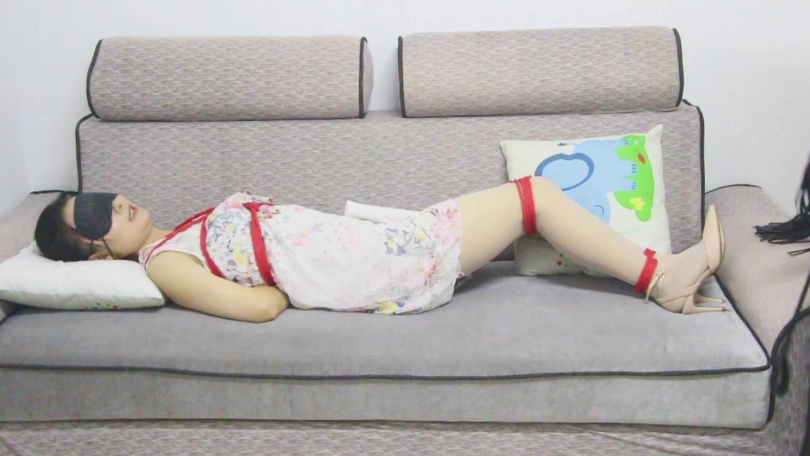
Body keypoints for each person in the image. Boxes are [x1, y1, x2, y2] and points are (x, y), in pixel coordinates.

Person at [33, 176, 726, 323]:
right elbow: (258, 308)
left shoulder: (177, 232)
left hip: (376, 244)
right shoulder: (164, 264)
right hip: (371, 266)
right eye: (96, 216)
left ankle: (657, 274)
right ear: (98, 256)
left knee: (531, 203)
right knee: (533, 198)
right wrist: (284, 275)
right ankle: (660, 278)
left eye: (104, 197)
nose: (114, 204)